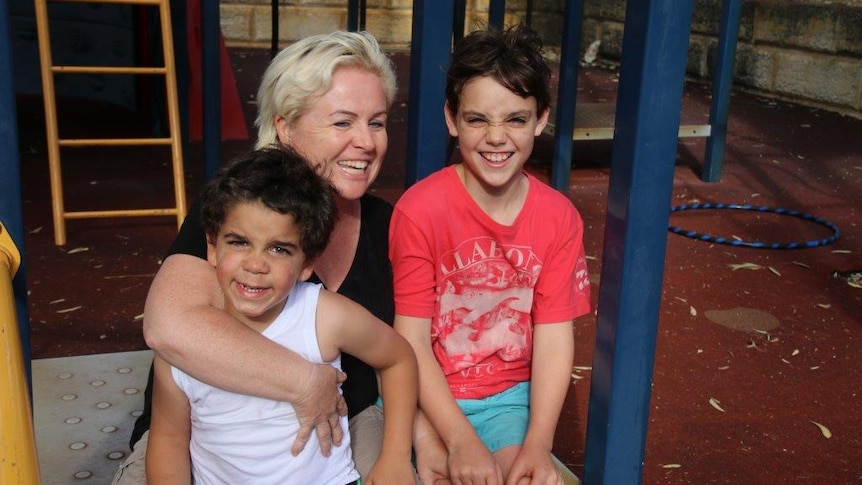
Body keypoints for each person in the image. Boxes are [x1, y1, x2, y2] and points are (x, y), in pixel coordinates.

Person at [112, 30, 449, 484]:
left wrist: (421, 441)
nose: (366, 143)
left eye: (377, 122)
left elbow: (406, 352)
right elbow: (167, 327)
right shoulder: (239, 213)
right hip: (209, 436)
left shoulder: (389, 224)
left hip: (339, 439)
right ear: (284, 126)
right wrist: (307, 382)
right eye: (342, 122)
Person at [388, 24, 592, 485]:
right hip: (425, 396)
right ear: (451, 118)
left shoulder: (559, 218)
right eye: (478, 119)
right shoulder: (420, 210)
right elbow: (412, 341)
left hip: (508, 402)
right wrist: (458, 440)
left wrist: (539, 443)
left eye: (515, 120)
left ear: (540, 120)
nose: (496, 137)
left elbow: (555, 337)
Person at [145, 147, 418, 484]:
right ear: (213, 248)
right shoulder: (184, 346)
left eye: (279, 249)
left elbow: (398, 359)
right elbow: (169, 438)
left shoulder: (323, 317)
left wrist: (394, 458)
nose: (256, 265)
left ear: (306, 264)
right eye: (239, 242)